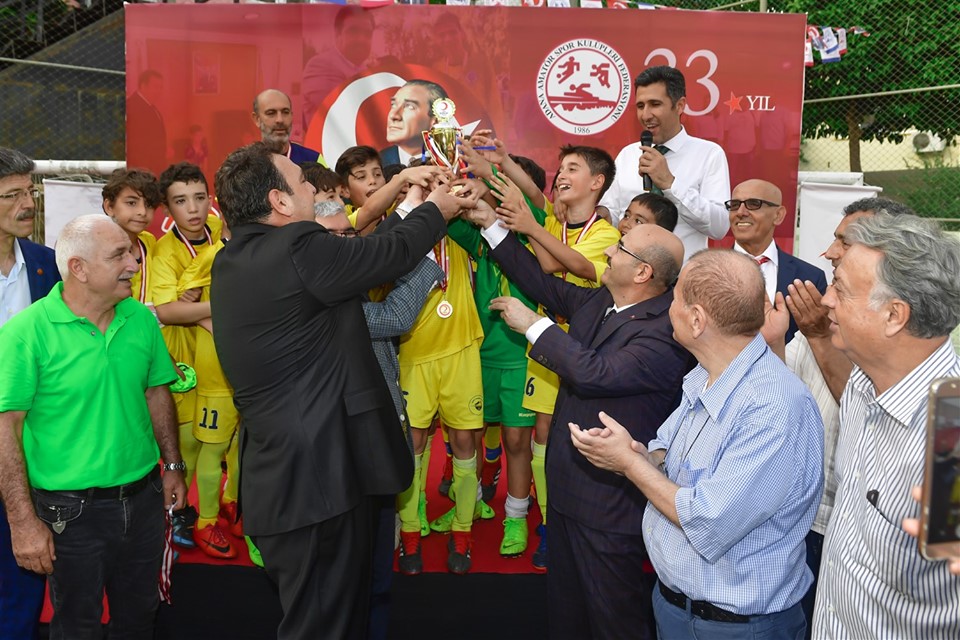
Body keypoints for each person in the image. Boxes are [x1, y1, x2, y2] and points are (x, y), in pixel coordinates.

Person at [209, 141, 471, 638]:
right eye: (302, 183)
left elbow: (357, 256)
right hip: (317, 485)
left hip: (298, 480)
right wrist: (437, 210)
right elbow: (387, 255)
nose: (313, 188)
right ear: (280, 202)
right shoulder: (297, 247)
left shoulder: (236, 259)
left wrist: (412, 204)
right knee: (322, 628)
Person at [570, 248, 824, 639]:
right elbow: (668, 454)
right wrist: (637, 453)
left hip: (733, 628)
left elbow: (708, 520)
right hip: (680, 608)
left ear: (696, 319)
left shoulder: (772, 406)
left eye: (674, 299)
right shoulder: (707, 376)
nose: (666, 308)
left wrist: (630, 465)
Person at [464, 198, 688, 638]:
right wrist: (492, 226)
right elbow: (539, 282)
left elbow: (595, 372)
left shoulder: (664, 333)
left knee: (613, 621)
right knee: (567, 614)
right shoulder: (605, 300)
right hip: (567, 492)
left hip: (609, 509)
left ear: (642, 272)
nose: (608, 250)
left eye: (620, 248)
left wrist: (533, 326)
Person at [0, 214, 186, 639]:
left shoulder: (139, 318)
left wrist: (173, 464)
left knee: (139, 618)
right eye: (119, 255)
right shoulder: (25, 334)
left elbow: (156, 391)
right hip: (68, 514)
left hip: (144, 499)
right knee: (77, 626)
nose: (133, 264)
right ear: (78, 269)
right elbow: (5, 429)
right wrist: (22, 522)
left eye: (131, 253)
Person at [813, 214, 960, 638]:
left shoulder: (949, 437)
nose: (825, 300)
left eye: (840, 289)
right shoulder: (862, 383)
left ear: (894, 315)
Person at [314, 198, 443, 638]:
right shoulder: (320, 298)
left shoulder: (341, 277)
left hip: (376, 452)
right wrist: (427, 258)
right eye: (333, 235)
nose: (345, 243)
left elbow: (382, 252)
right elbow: (394, 317)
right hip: (345, 462)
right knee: (348, 581)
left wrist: (410, 208)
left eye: (349, 233)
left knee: (377, 579)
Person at [491, 146, 622, 571]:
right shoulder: (554, 222)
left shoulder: (607, 234)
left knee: (574, 439)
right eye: (560, 168)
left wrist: (530, 226)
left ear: (597, 182)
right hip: (545, 341)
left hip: (585, 350)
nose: (561, 175)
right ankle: (541, 522)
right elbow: (543, 244)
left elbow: (580, 267)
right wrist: (497, 162)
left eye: (572, 168)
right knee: (542, 435)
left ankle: (564, 522)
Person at [0, 147, 59, 640]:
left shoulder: (46, 265)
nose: (27, 204)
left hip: (28, 454)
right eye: (12, 195)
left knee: (22, 579)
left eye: (30, 192)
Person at [152, 162, 224, 554]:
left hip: (219, 355)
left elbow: (184, 306)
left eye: (199, 198)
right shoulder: (164, 251)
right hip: (183, 356)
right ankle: (178, 513)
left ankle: (220, 509)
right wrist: (219, 309)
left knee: (220, 441)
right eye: (181, 201)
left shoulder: (219, 231)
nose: (193, 208)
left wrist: (192, 303)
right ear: (167, 209)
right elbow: (168, 312)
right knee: (186, 444)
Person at [598, 65, 730, 261]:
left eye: (655, 104)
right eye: (640, 106)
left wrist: (670, 184)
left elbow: (719, 227)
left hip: (683, 276)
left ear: (679, 105)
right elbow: (612, 212)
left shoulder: (709, 154)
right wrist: (600, 213)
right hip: (628, 273)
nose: (645, 115)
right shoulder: (628, 154)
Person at [727, 178, 826, 344]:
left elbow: (819, 341)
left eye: (753, 204)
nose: (741, 212)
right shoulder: (703, 273)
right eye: (735, 205)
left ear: (778, 215)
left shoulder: (810, 278)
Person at [302, 6, 374, 130]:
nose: (361, 39)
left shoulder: (366, 70)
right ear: (337, 34)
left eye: (367, 34)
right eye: (353, 31)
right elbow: (342, 113)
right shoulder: (320, 65)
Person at [101, 168, 162, 306]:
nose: (142, 212)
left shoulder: (150, 241)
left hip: (149, 318)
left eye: (149, 205)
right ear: (109, 207)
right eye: (131, 203)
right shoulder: (98, 248)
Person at [381, 79, 448, 167]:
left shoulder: (456, 161)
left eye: (410, 106)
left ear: (435, 121)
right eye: (393, 105)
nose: (393, 115)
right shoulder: (378, 161)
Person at [252, 88, 326, 166]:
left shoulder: (314, 160)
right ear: (257, 119)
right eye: (271, 113)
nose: (280, 120)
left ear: (291, 116)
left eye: (285, 112)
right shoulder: (246, 162)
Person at [126, 69, 168, 174]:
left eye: (161, 87)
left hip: (153, 167)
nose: (159, 91)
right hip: (143, 169)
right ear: (143, 86)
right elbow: (136, 143)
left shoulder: (150, 106)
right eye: (156, 87)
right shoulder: (133, 106)